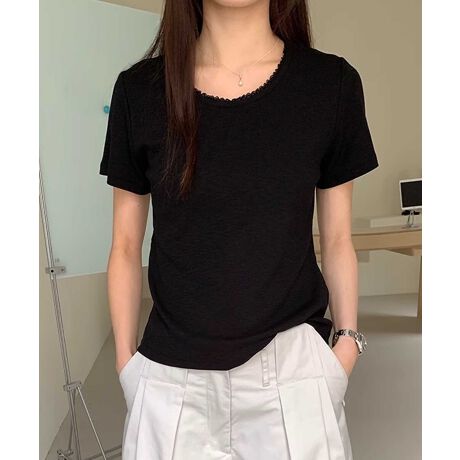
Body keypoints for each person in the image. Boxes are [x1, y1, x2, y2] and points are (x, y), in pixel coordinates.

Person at [99, 1, 379, 459]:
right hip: (170, 380)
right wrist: (128, 366)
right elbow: (125, 246)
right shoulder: (140, 91)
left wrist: (347, 344)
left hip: (292, 373)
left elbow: (336, 240)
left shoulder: (330, 85)